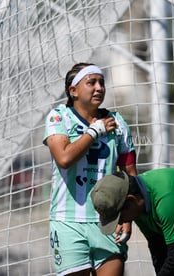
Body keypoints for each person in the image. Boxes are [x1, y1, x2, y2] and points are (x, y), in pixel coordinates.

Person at [43, 62, 137, 276]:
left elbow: (130, 173)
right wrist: (94, 132)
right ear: (73, 90)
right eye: (91, 82)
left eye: (102, 83)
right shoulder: (59, 117)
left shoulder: (118, 122)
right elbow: (64, 158)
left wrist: (127, 217)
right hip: (68, 223)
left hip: (108, 222)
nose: (99, 88)